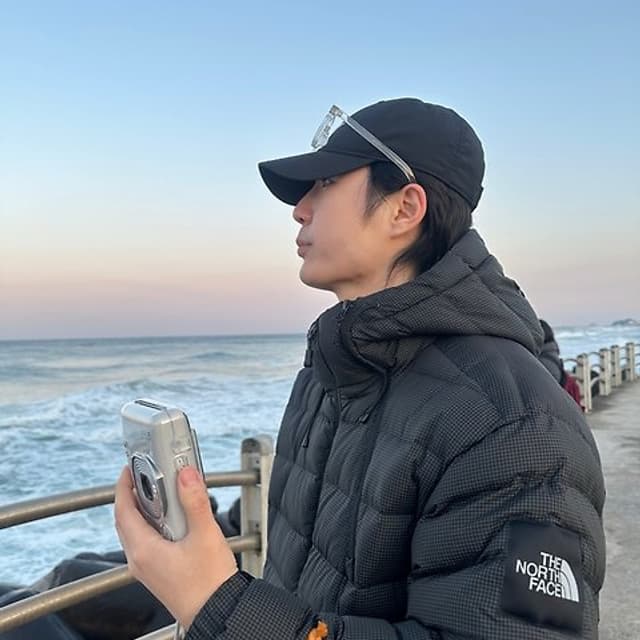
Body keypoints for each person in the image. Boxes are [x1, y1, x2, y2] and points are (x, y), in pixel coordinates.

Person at [114, 98, 606, 639]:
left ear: (404, 208)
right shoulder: (328, 374)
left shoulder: (518, 427)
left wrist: (217, 603)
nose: (299, 209)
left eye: (325, 183)